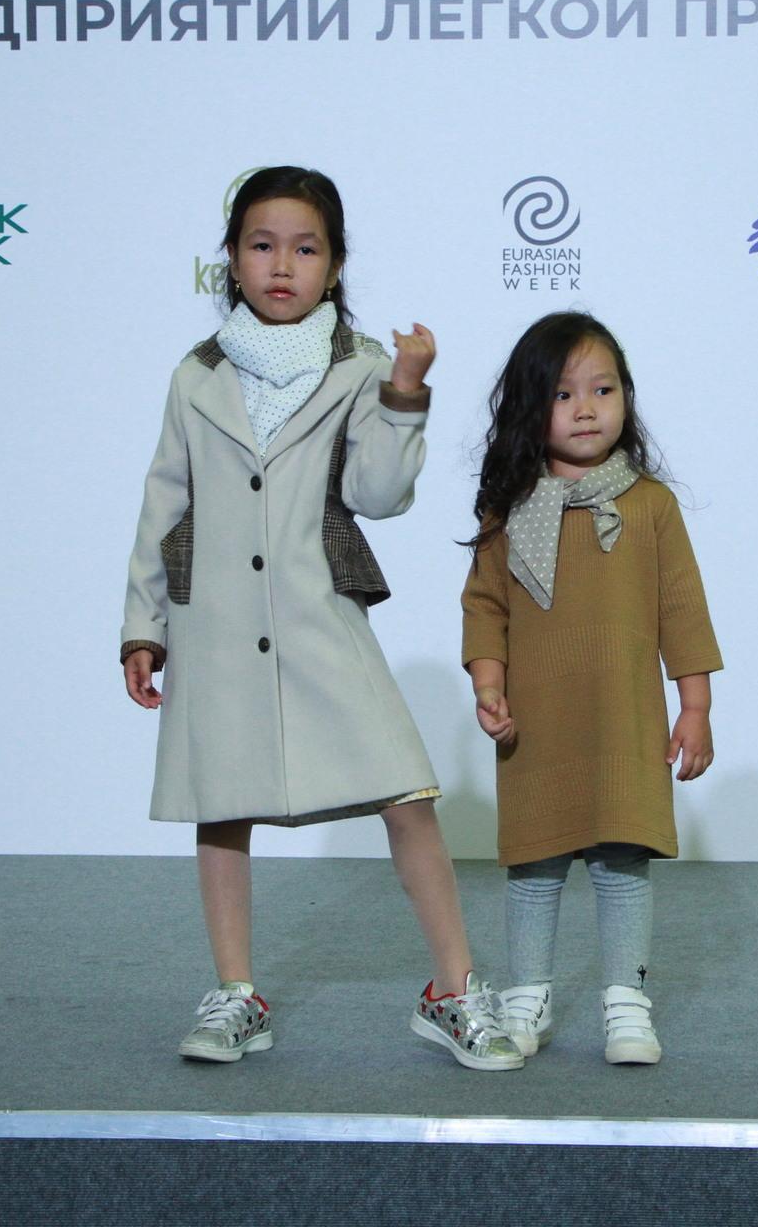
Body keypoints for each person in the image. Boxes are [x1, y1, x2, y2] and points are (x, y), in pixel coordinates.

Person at [121, 166, 521, 1070]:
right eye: (262, 245)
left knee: (406, 793)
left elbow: (379, 495)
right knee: (222, 806)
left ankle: (454, 990)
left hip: (318, 613)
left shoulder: (363, 367)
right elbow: (164, 503)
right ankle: (236, 994)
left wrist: (406, 391)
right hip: (216, 627)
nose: (282, 265)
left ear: (335, 265)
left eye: (305, 249)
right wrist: (143, 626)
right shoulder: (195, 376)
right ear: (231, 259)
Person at [460, 311, 722, 1065]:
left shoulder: (650, 504)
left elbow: (683, 608)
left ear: (626, 398)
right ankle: (527, 994)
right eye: (563, 393)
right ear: (528, 406)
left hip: (625, 721)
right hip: (537, 723)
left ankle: (626, 1001)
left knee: (623, 864)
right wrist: (488, 682)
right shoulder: (511, 508)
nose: (585, 408)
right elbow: (485, 604)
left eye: (603, 390)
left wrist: (695, 706)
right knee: (534, 868)